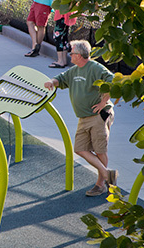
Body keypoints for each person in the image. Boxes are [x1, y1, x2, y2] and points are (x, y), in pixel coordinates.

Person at [44, 40, 116, 197]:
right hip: (83, 117)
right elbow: (61, 79)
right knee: (80, 148)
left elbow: (113, 81)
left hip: (98, 115)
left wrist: (103, 102)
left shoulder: (95, 68)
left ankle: (100, 184)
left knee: (99, 149)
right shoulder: (74, 70)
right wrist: (51, 82)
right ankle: (107, 173)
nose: (70, 55)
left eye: (72, 53)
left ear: (80, 55)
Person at [50, 0, 77, 68]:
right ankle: (64, 60)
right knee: (64, 38)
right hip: (66, 19)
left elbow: (64, 4)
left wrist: (56, 0)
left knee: (58, 37)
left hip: (62, 18)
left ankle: (60, 60)